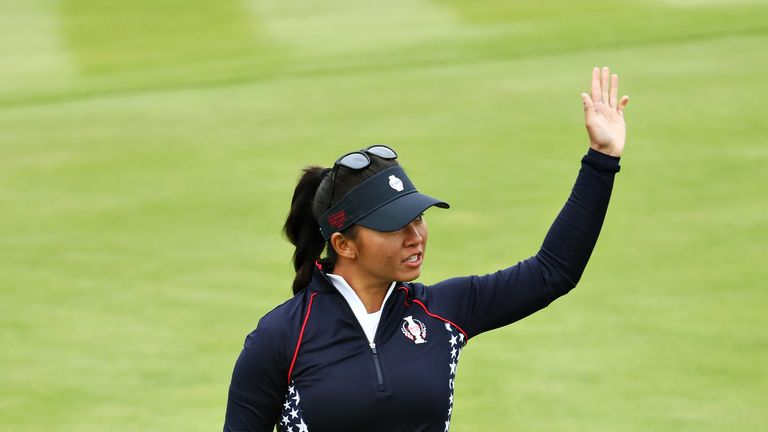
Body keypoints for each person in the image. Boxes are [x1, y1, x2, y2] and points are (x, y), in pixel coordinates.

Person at [223, 66, 630, 432]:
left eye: (418, 218)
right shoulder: (280, 337)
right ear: (344, 244)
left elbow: (552, 272)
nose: (415, 235)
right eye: (394, 226)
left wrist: (602, 159)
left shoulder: (443, 312)